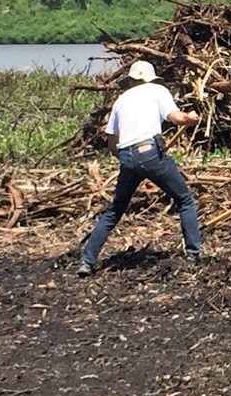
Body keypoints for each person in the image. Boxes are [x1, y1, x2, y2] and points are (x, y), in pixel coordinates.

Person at [78, 60, 201, 276]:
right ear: (149, 78)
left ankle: (87, 262)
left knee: (115, 210)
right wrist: (190, 119)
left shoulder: (121, 100)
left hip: (127, 156)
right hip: (151, 152)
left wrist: (129, 159)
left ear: (132, 80)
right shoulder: (157, 90)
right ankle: (193, 254)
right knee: (185, 200)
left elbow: (111, 143)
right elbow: (175, 117)